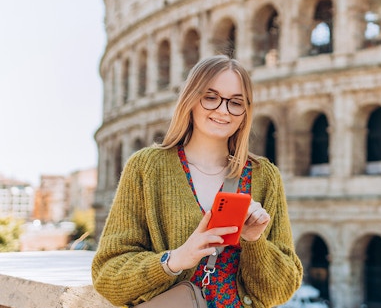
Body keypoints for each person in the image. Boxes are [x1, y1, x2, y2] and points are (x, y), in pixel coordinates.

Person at [91, 55, 303, 307]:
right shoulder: (148, 167)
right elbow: (107, 273)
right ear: (191, 99)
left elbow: (280, 291)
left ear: (246, 111)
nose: (223, 110)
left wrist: (255, 241)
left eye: (236, 102)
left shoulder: (264, 176)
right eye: (211, 97)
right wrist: (175, 260)